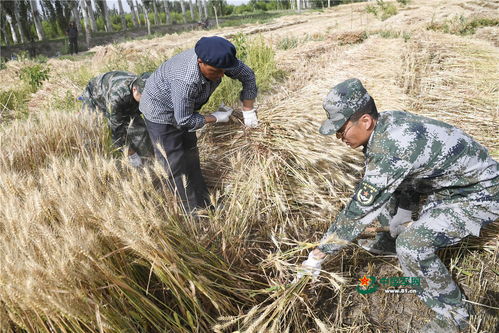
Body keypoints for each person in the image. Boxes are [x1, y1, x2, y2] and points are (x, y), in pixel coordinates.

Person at [298, 78, 498, 333]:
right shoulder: (387, 122)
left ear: (366, 121)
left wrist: (319, 255)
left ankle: (455, 315)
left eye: (341, 129)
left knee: (411, 245)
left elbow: (360, 209)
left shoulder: (392, 146)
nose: (338, 137)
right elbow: (405, 176)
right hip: (450, 186)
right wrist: (403, 211)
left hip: (479, 194)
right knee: (385, 207)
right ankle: (398, 246)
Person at [139, 36, 258, 213]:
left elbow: (248, 76)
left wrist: (248, 110)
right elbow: (184, 121)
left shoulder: (222, 61)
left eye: (223, 71)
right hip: (160, 111)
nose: (220, 75)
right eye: (215, 71)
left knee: (191, 157)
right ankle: (191, 213)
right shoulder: (186, 80)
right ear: (200, 61)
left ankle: (204, 202)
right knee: (175, 164)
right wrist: (215, 117)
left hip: (185, 109)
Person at [80, 71, 153, 167]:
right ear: (135, 90)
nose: (147, 101)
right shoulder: (117, 97)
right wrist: (130, 153)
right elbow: (115, 129)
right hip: (95, 94)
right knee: (92, 133)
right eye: (144, 98)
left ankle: (150, 164)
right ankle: (93, 165)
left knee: (141, 132)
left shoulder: (146, 86)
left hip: (126, 100)